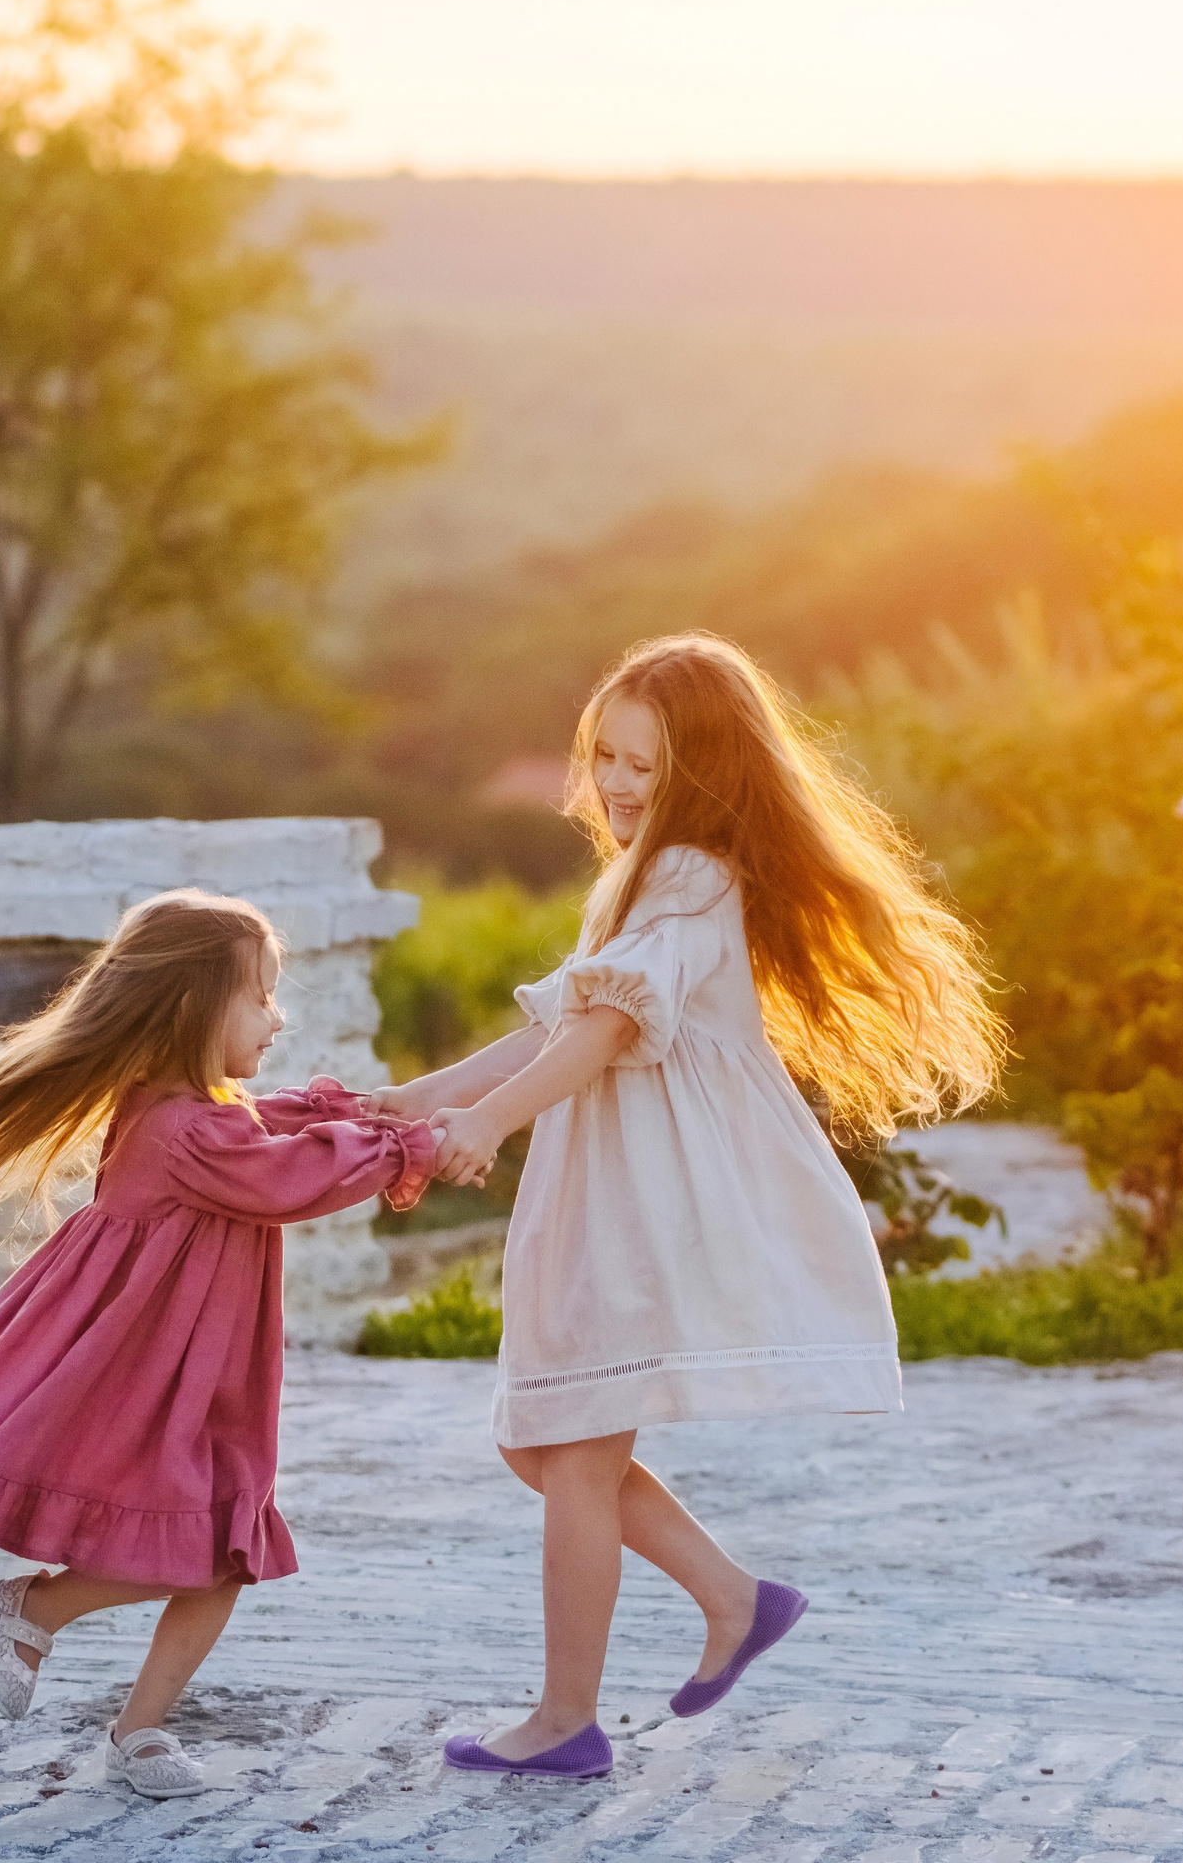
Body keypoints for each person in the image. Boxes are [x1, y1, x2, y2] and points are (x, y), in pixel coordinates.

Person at [378, 631, 1004, 1777]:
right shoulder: (639, 875)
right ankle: (730, 1597)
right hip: (615, 1190)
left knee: (566, 1452)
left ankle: (565, 1723)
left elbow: (611, 1030)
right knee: (546, 1445)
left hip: (646, 1204)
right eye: (604, 755)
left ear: (701, 779)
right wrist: (412, 1099)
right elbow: (560, 1025)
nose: (615, 784)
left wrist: (487, 1124)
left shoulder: (687, 875)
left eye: (645, 768)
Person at [0, 891, 435, 1799]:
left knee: (228, 1547)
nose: (278, 1017)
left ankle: (141, 1730)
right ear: (191, 1005)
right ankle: (38, 1607)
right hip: (145, 1374)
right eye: (259, 998)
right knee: (191, 1538)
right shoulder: (184, 1128)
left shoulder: (199, 1108)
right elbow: (286, 1176)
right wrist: (407, 1147)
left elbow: (271, 1125)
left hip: (209, 1368)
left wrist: (384, 1116)